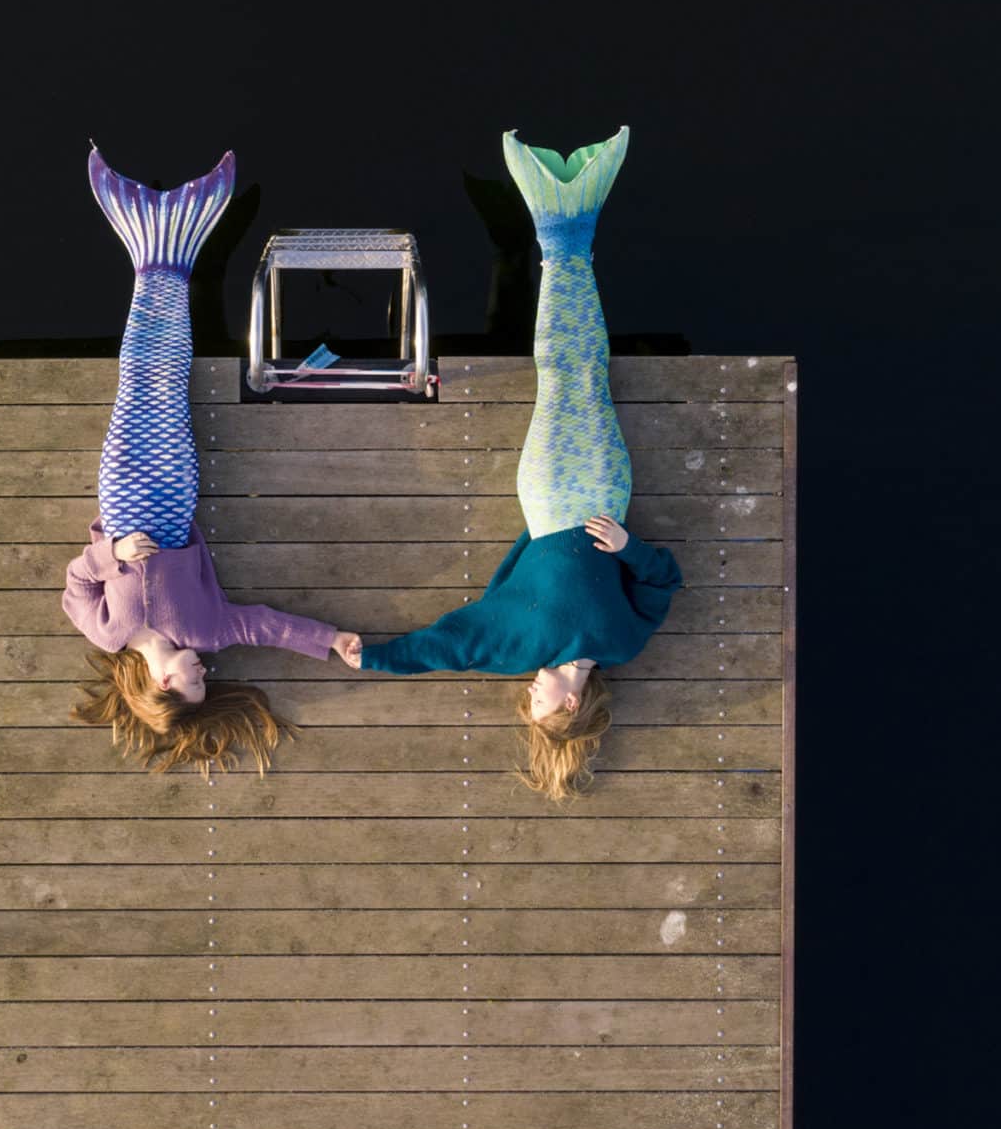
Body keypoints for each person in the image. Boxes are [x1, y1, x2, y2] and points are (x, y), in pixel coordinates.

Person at [355, 127, 681, 800]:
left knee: (563, 377)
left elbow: (446, 648)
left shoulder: (518, 647)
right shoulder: (622, 642)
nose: (529, 689)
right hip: (604, 497)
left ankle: (563, 238)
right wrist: (630, 548)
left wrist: (370, 655)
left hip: (547, 498)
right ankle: (565, 235)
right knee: (585, 376)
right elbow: (664, 580)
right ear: (568, 706)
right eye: (538, 700)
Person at [61, 144, 362, 777]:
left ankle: (154, 262)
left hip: (120, 496)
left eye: (194, 683)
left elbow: (77, 582)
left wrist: (111, 555)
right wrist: (328, 641)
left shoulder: (107, 634)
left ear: (162, 685)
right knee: (166, 382)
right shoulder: (209, 630)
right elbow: (265, 628)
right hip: (172, 496)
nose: (205, 673)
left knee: (134, 380)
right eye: (205, 681)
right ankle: (167, 267)